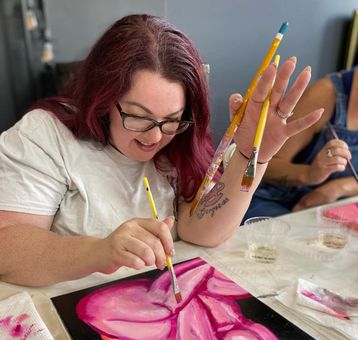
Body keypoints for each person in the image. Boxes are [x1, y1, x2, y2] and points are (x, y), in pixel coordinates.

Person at [0, 14, 322, 287]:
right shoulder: (46, 135)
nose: (155, 137)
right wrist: (99, 252)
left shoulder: (178, 144)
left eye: (171, 120)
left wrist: (253, 155)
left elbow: (200, 233)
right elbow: (7, 247)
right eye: (138, 117)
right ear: (102, 98)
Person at [243, 65, 358, 220]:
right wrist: (310, 174)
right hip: (272, 199)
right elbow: (261, 165)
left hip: (326, 207)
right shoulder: (324, 95)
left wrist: (337, 188)